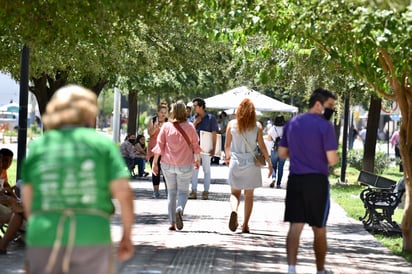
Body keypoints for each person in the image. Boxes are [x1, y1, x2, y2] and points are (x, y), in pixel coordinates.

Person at [21, 85, 134, 274]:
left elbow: (27, 195)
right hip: (91, 233)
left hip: (44, 234)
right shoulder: (101, 145)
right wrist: (127, 235)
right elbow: (124, 192)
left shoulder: (40, 147)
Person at [278, 88, 338, 274]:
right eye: (330, 106)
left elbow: (281, 153)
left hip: (296, 179)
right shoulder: (325, 126)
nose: (331, 110)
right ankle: (320, 270)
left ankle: (291, 268)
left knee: (295, 226)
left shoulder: (293, 123)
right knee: (319, 227)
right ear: (318, 104)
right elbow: (332, 159)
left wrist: (299, 156)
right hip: (317, 182)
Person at [225, 98, 273, 233]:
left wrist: (228, 159)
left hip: (235, 162)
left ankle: (234, 210)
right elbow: (262, 147)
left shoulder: (231, 124)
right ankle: (245, 225)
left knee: (234, 193)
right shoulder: (257, 126)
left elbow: (227, 146)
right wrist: (269, 163)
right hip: (252, 164)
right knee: (249, 195)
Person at [152, 101, 201, 231]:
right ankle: (179, 209)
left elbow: (159, 146)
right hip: (185, 164)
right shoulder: (190, 127)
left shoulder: (166, 126)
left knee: (171, 193)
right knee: (184, 192)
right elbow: (195, 145)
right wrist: (198, 159)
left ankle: (172, 223)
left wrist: (155, 163)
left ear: (172, 112)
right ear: (185, 111)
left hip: (167, 164)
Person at [189, 98, 219, 200]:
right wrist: (195, 123)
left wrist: (214, 148)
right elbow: (189, 132)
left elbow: (214, 133)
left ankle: (206, 191)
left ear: (201, 106)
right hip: (195, 148)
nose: (194, 108)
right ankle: (193, 191)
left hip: (206, 148)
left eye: (195, 106)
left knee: (206, 170)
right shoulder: (193, 118)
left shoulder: (211, 118)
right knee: (194, 170)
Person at [147, 102, 169, 198]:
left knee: (166, 171)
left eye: (165, 112)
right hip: (153, 148)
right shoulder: (153, 120)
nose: (163, 114)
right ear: (158, 112)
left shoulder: (168, 122)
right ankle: (156, 191)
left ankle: (168, 190)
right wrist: (156, 127)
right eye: (161, 112)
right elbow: (150, 133)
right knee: (155, 171)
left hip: (165, 150)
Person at [267, 115, 287, 188]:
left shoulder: (272, 129)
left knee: (274, 166)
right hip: (284, 150)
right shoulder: (286, 129)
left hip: (274, 149)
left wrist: (274, 140)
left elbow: (269, 139)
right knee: (281, 167)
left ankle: (273, 178)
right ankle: (278, 184)